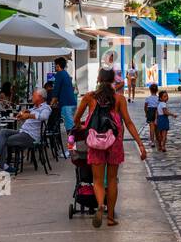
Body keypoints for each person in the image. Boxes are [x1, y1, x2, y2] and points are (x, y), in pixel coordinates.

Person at [74, 68, 146, 227]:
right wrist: (140, 144)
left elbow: (76, 118)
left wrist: (82, 126)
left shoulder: (89, 97)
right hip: (114, 142)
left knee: (97, 181)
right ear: (113, 80)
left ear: (99, 79)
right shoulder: (119, 99)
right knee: (112, 180)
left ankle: (100, 205)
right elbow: (128, 122)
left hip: (95, 143)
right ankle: (111, 217)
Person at [0, 89, 52, 171]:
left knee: (4, 140)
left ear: (40, 97)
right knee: (3, 132)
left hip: (31, 136)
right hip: (23, 132)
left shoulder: (46, 108)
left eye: (34, 95)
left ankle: (3, 165)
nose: (32, 97)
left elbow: (43, 116)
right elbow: (27, 113)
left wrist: (28, 115)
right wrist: (22, 113)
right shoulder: (35, 108)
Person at [52, 56, 77, 129]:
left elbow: (56, 90)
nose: (54, 67)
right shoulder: (65, 73)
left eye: (55, 65)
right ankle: (72, 139)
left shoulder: (59, 74)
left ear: (57, 65)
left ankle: (71, 140)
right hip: (72, 103)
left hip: (66, 104)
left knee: (70, 127)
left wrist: (51, 103)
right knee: (71, 124)